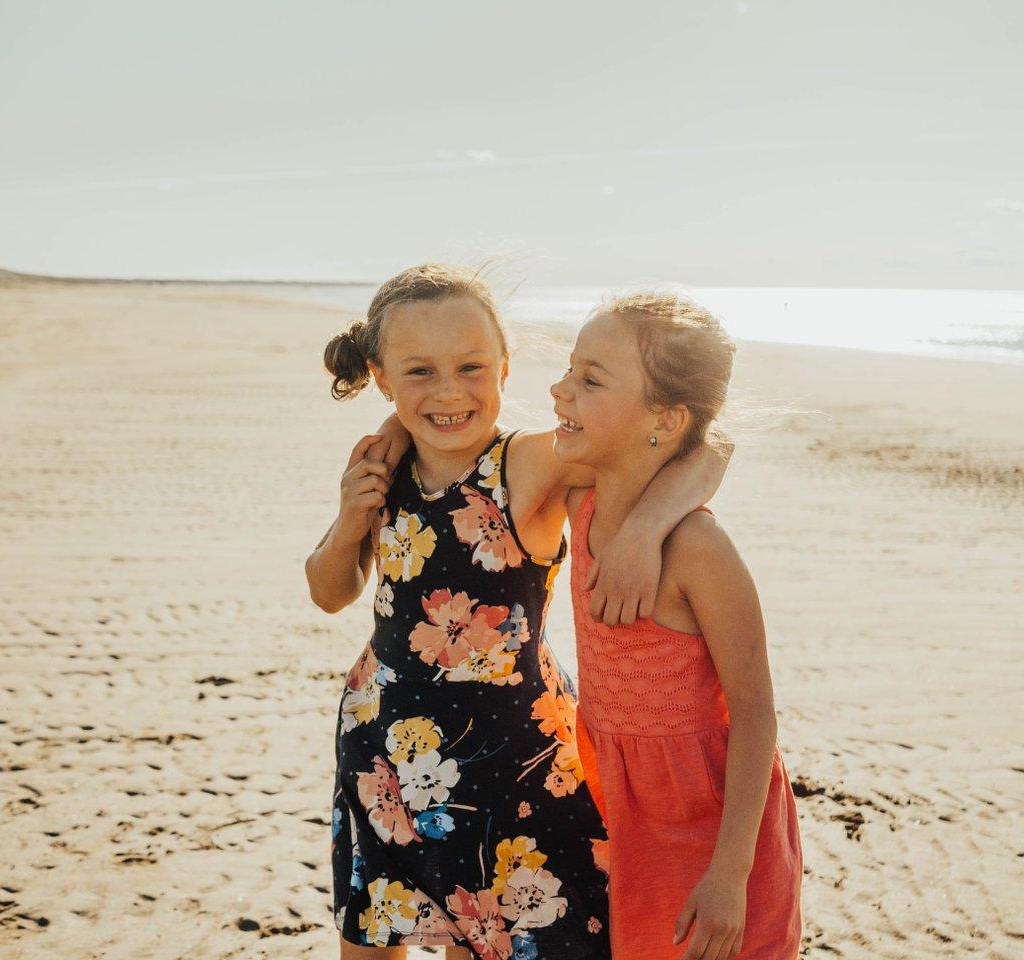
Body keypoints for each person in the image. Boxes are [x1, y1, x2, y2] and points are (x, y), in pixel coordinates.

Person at [305, 265, 729, 958]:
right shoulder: (382, 463)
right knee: (376, 942)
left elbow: (708, 446)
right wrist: (351, 515)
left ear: (505, 365)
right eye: (419, 373)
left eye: (471, 367)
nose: (448, 392)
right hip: (381, 749)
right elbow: (330, 591)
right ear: (381, 377)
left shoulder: (532, 462)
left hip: (510, 761)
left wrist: (648, 530)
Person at [552, 292, 802, 959]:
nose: (559, 389)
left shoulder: (698, 550)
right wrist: (639, 526)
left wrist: (730, 875)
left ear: (663, 420)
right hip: (628, 819)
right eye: (569, 369)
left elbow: (755, 713)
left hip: (719, 832)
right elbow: (712, 441)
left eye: (590, 379)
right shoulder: (579, 493)